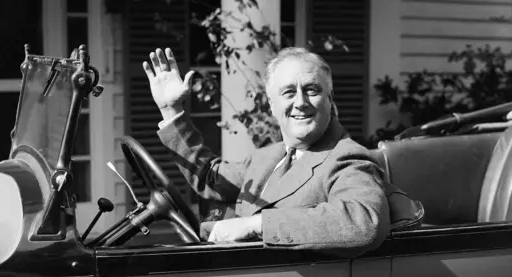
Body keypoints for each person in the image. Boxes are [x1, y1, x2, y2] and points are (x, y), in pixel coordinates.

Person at [142, 47, 391, 252]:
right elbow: (210, 176)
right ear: (272, 105)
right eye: (289, 92)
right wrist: (171, 111)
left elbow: (363, 221)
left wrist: (256, 224)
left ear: (330, 99)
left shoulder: (346, 157)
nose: (300, 102)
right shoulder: (267, 158)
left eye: (312, 90)